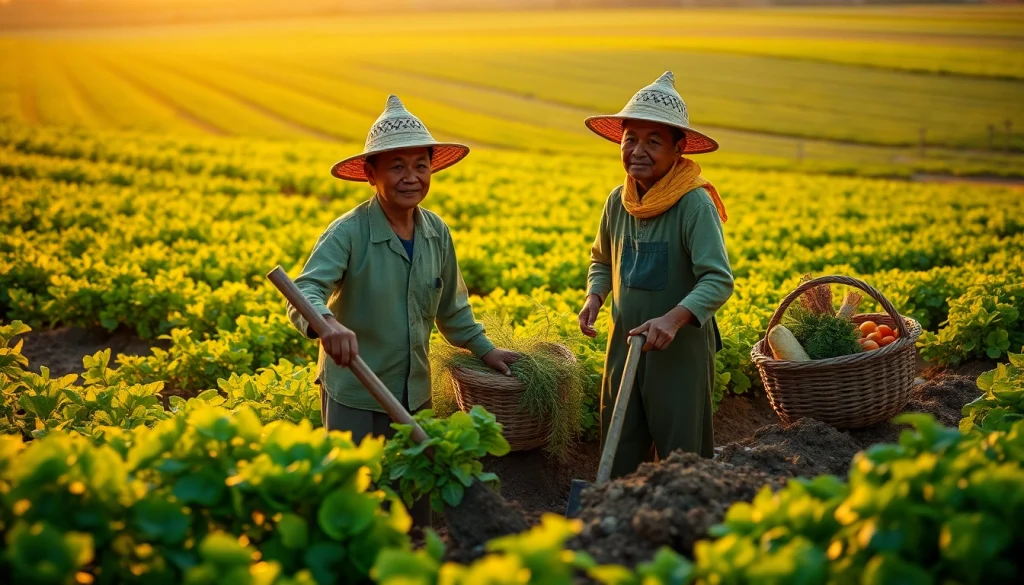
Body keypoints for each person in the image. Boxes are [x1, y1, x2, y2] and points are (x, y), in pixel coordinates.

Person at [287, 95, 518, 525]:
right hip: (356, 394)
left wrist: (488, 351)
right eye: (397, 167)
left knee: (415, 500)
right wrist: (328, 326)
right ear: (371, 175)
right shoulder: (348, 232)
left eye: (420, 166)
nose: (411, 178)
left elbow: (454, 310)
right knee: (356, 501)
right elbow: (305, 292)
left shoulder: (436, 233)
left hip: (414, 392)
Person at [578, 71, 734, 479]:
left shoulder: (693, 204)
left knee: (683, 461)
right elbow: (600, 259)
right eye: (631, 139)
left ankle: (684, 530)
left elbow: (718, 279)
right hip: (623, 345)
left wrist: (673, 319)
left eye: (654, 141)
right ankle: (614, 523)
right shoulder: (618, 200)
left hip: (678, 353)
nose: (638, 151)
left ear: (678, 149)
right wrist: (595, 296)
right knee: (618, 446)